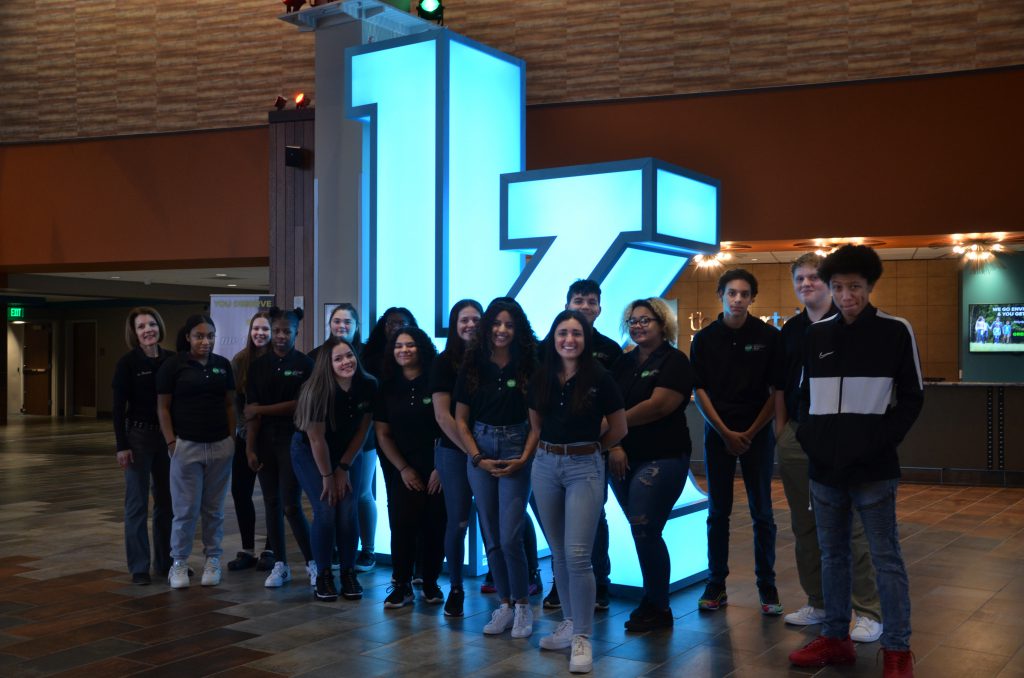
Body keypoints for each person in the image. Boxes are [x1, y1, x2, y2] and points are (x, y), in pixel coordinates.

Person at [789, 245, 922, 678]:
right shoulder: (815, 335)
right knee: (833, 556)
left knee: (886, 557)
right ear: (830, 288)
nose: (847, 295)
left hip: (873, 468)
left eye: (856, 287)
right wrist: (810, 438)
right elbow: (803, 396)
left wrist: (881, 440)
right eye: (840, 287)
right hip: (824, 468)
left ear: (869, 287)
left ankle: (897, 649)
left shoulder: (895, 331)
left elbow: (913, 397)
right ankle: (835, 637)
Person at [776, 254, 883, 641]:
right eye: (800, 279)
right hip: (798, 434)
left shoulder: (854, 326)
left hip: (843, 437)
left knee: (850, 527)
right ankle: (818, 602)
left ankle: (868, 610)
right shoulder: (791, 330)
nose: (807, 284)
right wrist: (782, 431)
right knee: (804, 525)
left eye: (814, 278)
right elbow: (780, 385)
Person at [530, 310, 627, 673]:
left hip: (585, 466)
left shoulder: (600, 377)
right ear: (553, 338)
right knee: (557, 551)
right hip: (545, 465)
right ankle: (569, 624)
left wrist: (589, 449)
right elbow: (536, 424)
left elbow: (619, 428)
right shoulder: (542, 376)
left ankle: (583, 637)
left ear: (586, 339)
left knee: (577, 554)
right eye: (562, 333)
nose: (569, 339)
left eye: (576, 333)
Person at [690, 269, 784, 615]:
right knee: (718, 512)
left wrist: (751, 431)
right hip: (718, 434)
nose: (738, 299)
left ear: (752, 298)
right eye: (732, 293)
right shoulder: (704, 339)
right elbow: (699, 392)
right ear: (721, 294)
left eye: (745, 294)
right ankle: (716, 584)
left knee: (763, 512)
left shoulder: (769, 337)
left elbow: (776, 393)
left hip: (757, 434)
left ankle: (767, 585)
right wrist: (725, 432)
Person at [609, 297, 694, 631]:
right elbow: (605, 402)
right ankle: (653, 600)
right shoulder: (622, 362)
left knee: (645, 529)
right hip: (622, 458)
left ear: (662, 324)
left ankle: (658, 605)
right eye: (632, 320)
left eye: (646, 320)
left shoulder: (675, 361)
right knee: (640, 530)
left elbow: (659, 406)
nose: (638, 326)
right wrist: (614, 442)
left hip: (664, 457)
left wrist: (614, 427)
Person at [455, 297, 538, 639]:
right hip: (481, 446)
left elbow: (536, 425)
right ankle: (503, 604)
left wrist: (524, 458)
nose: (502, 330)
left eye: (509, 324)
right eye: (496, 323)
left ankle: (522, 606)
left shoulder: (528, 363)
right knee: (490, 535)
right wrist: (476, 457)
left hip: (517, 447)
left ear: (517, 329)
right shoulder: (473, 363)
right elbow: (460, 420)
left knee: (510, 535)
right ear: (487, 327)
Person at [541, 279, 622, 612]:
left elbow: (615, 408)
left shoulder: (610, 353)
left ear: (600, 308)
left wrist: (597, 443)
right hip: (549, 457)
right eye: (579, 300)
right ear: (566, 304)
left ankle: (599, 583)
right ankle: (561, 588)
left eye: (591, 301)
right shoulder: (547, 350)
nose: (585, 306)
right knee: (558, 533)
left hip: (589, 454)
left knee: (594, 520)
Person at [291, 338, 377, 601]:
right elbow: (316, 439)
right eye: (338, 359)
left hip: (348, 452)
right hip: (311, 452)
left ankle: (349, 573)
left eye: (349, 356)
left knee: (348, 509)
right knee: (326, 508)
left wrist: (344, 466)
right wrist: (329, 476)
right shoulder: (316, 391)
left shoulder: (368, 384)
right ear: (327, 365)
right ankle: (324, 575)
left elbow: (364, 429)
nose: (346, 362)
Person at [156, 314, 236, 589]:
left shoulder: (222, 366)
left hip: (219, 447)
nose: (206, 341)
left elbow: (229, 405)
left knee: (214, 510)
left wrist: (231, 439)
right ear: (188, 337)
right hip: (186, 447)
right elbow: (163, 407)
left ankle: (212, 559)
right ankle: (178, 563)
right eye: (200, 336)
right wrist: (171, 442)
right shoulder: (174, 365)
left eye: (210, 336)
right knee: (185, 510)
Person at [375, 327, 447, 608]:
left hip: (438, 468)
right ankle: (401, 584)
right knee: (402, 527)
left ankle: (430, 583)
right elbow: (383, 434)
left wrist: (440, 467)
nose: (404, 350)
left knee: (436, 526)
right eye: (398, 346)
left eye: (410, 345)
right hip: (403, 469)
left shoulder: (436, 380)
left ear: (422, 348)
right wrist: (403, 469)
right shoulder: (388, 386)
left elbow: (445, 426)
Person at [245, 307, 315, 589]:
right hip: (265, 441)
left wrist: (261, 408)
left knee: (290, 504)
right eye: (277, 331)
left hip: (293, 440)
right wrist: (250, 449)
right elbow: (251, 414)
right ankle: (280, 565)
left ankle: (314, 563)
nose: (281, 336)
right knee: (271, 503)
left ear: (297, 333)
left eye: (288, 331)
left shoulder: (305, 364)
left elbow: (299, 406)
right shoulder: (258, 366)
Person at [351, 306, 417, 572]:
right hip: (377, 434)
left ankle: (419, 566)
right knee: (389, 498)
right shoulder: (369, 357)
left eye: (402, 323)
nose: (396, 327)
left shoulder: (421, 358)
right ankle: (398, 565)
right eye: (391, 323)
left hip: (414, 438)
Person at [112, 306, 174, 585]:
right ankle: (139, 566)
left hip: (168, 439)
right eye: (141, 326)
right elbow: (117, 408)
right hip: (137, 437)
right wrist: (121, 446)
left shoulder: (172, 360)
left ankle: (166, 562)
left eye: (151, 324)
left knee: (167, 503)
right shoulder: (127, 363)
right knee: (137, 505)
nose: (148, 329)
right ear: (134, 333)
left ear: (159, 327)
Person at [430, 299, 483, 617]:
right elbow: (442, 416)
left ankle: (514, 588)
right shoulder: (443, 362)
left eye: (477, 319)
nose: (471, 325)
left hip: (491, 450)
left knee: (498, 522)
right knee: (458, 521)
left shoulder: (492, 360)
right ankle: (456, 589)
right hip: (455, 452)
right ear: (454, 323)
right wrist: (472, 451)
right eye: (464, 319)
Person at [226, 311, 274, 572]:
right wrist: (243, 435)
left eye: (265, 329)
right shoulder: (240, 361)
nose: (260, 334)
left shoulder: (279, 360)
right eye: (256, 329)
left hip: (271, 439)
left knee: (270, 495)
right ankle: (247, 550)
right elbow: (235, 404)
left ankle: (270, 548)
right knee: (240, 493)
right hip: (244, 438)